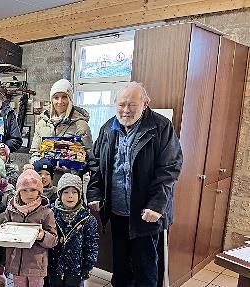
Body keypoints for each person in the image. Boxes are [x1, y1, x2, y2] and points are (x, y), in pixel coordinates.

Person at [87, 82, 183, 287]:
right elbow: (96, 164)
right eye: (121, 104)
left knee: (145, 267)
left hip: (146, 214)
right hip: (117, 211)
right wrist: (95, 193)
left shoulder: (160, 127)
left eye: (132, 104)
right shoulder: (107, 128)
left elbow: (169, 168)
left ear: (145, 104)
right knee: (120, 266)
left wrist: (157, 205)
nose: (125, 110)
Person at [29, 79, 93, 183]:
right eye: (56, 97)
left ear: (70, 98)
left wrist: (71, 170)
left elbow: (89, 157)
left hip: (70, 184)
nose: (60, 102)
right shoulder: (42, 123)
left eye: (64, 97)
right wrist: (40, 166)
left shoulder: (81, 125)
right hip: (44, 181)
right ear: (51, 99)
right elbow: (34, 152)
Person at [4, 169, 58, 287]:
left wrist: (42, 235)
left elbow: (54, 239)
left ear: (39, 192)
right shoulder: (11, 209)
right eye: (24, 190)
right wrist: (3, 228)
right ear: (18, 192)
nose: (29, 194)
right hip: (16, 263)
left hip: (36, 265)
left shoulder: (46, 212)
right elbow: (5, 225)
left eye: (33, 190)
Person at [48, 173, 99, 287]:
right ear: (60, 194)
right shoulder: (50, 214)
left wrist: (88, 266)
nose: (70, 196)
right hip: (54, 265)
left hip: (76, 268)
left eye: (74, 192)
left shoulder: (87, 219)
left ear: (80, 194)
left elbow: (91, 245)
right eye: (66, 192)